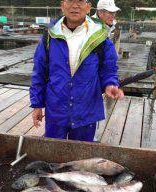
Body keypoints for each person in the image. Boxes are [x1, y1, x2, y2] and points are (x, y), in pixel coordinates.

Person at [30, 0, 123, 142]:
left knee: (81, 160)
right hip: (55, 110)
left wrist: (110, 84)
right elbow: (39, 71)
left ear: (88, 7)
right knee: (53, 157)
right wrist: (37, 104)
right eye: (70, 0)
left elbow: (109, 69)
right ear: (62, 6)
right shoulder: (49, 35)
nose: (75, 5)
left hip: (86, 111)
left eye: (80, 1)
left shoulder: (101, 36)